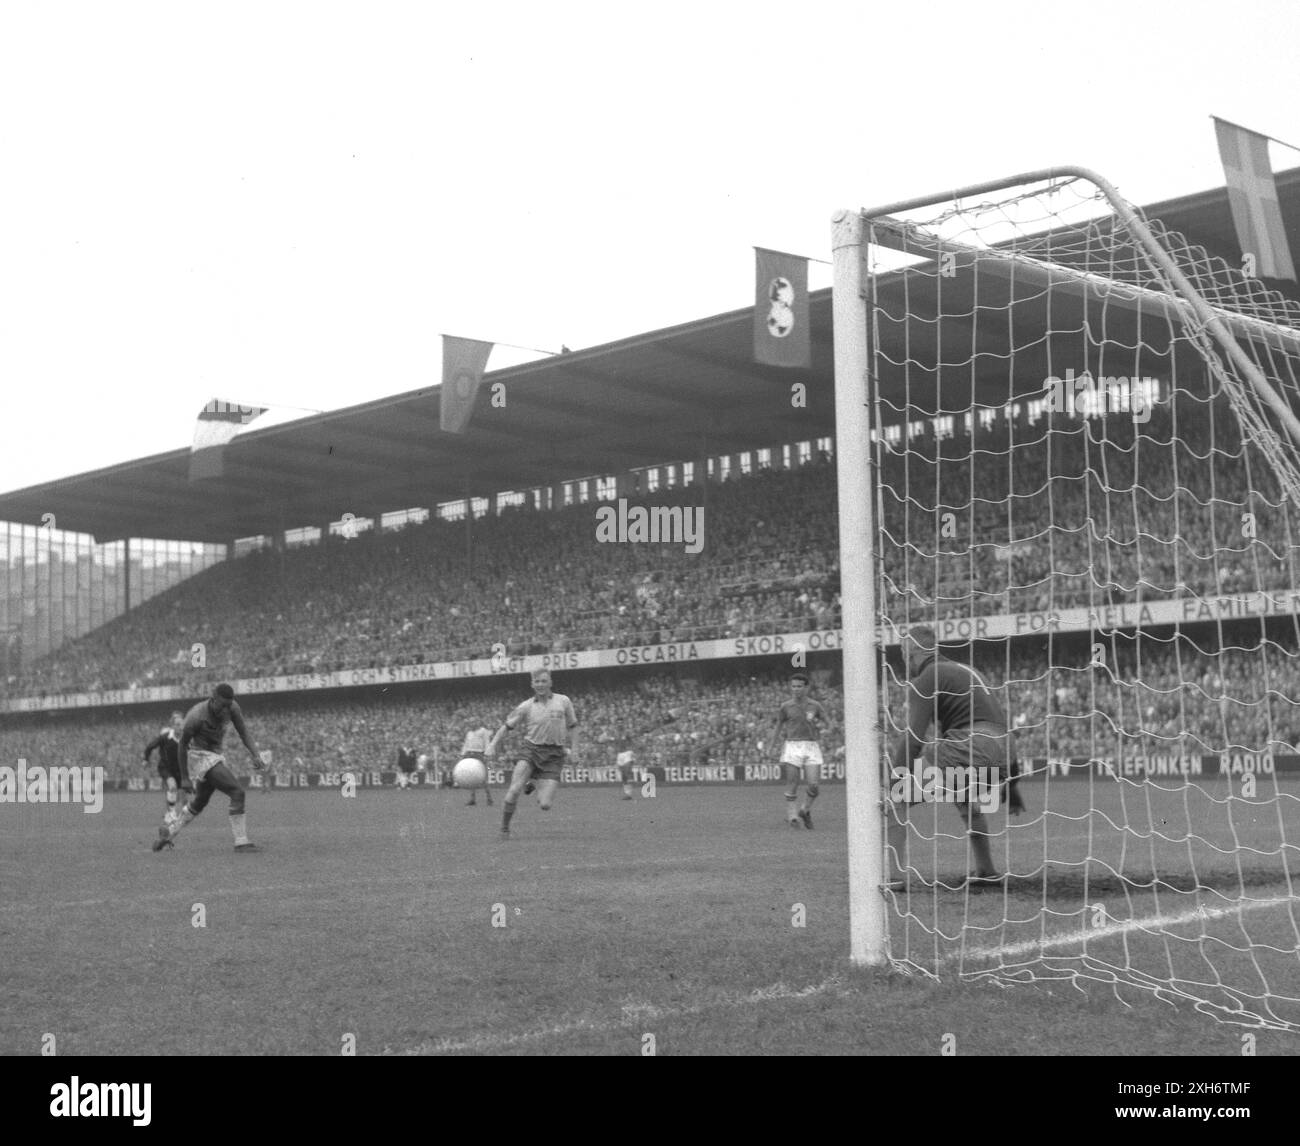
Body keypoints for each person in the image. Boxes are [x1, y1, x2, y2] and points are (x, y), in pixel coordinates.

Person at [886, 627, 1024, 890]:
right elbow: (999, 724)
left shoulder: (928, 677)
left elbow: (913, 737)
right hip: (1005, 749)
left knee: (895, 800)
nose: (903, 661)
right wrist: (1013, 786)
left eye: (903, 653)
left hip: (974, 743)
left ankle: (894, 878)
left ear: (910, 651)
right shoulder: (968, 671)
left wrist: (897, 778)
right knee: (962, 796)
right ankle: (986, 870)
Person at [151, 683, 266, 853]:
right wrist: (184, 777)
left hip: (216, 755)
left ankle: (168, 834)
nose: (226, 710)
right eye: (222, 706)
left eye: (228, 705)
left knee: (199, 802)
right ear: (213, 700)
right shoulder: (196, 716)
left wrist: (256, 754)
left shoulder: (232, 708)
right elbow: (182, 746)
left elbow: (243, 732)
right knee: (237, 792)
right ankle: (241, 842)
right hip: (199, 755)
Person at [488, 670, 578, 839]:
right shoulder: (526, 706)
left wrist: (575, 750)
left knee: (545, 804)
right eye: (537, 681)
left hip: (554, 755)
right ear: (532, 684)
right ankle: (504, 829)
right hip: (531, 750)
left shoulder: (563, 701)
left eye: (544, 681)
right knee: (514, 790)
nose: (540, 685)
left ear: (550, 682)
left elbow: (573, 726)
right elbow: (506, 726)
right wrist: (492, 745)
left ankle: (533, 781)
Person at [768, 672, 831, 829]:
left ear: (806, 687)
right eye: (793, 686)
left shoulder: (815, 706)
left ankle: (804, 810)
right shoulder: (786, 706)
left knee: (814, 785)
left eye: (799, 686)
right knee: (792, 782)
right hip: (792, 746)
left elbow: (829, 723)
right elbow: (778, 727)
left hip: (811, 746)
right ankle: (792, 816)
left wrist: (826, 730)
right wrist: (771, 746)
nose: (796, 689)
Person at [143, 711, 185, 825]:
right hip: (165, 767)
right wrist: (146, 759)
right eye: (177, 724)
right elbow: (150, 746)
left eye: (182, 724)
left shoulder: (186, 739)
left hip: (179, 769)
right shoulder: (165, 737)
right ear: (172, 726)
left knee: (181, 794)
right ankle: (171, 813)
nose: (180, 727)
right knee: (172, 787)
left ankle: (170, 814)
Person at [461, 723, 495, 807]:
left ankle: (489, 798)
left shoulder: (483, 731)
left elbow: (487, 742)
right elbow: (466, 744)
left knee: (482, 777)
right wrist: (463, 754)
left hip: (479, 754)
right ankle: (472, 799)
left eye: (473, 722)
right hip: (469, 754)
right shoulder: (469, 733)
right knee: (471, 777)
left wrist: (487, 755)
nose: (471, 724)